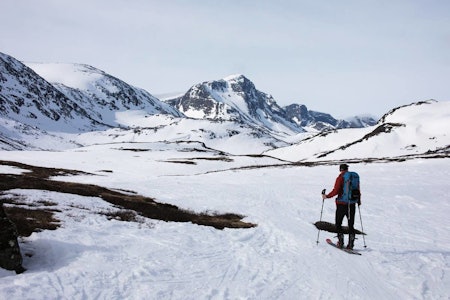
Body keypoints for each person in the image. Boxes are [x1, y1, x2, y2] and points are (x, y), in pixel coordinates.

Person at [322, 163, 361, 249]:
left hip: (342, 204)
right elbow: (358, 189)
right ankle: (351, 244)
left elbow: (336, 190)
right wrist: (358, 201)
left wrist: (327, 196)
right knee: (351, 224)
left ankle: (340, 242)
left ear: (340, 169)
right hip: (352, 204)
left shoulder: (340, 178)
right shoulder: (354, 177)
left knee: (338, 223)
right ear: (347, 169)